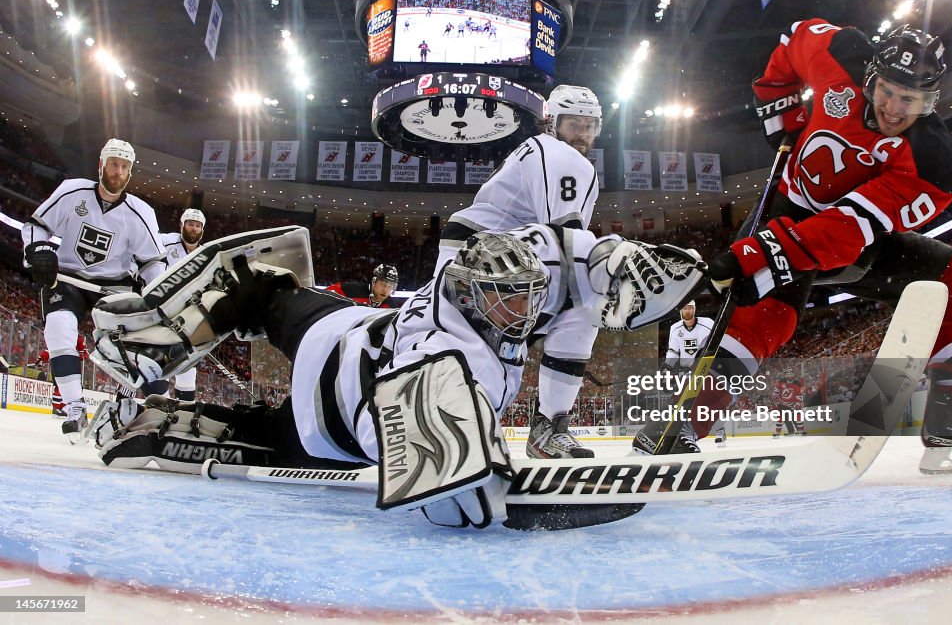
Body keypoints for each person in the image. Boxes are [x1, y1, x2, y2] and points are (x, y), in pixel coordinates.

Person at [89, 224, 705, 529]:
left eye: (527, 297)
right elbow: (457, 506)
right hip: (335, 377)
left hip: (332, 380)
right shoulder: (454, 361)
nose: (522, 311)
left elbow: (457, 489)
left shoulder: (458, 300)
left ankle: (143, 399)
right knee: (265, 280)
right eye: (508, 297)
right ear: (476, 292)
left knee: (259, 297)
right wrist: (523, 496)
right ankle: (144, 347)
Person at [635, 19, 952, 473]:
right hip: (787, 210)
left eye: (909, 100)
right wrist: (781, 115)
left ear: (930, 101)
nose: (893, 108)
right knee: (761, 318)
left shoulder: (932, 163)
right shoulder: (839, 51)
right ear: (870, 75)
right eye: (888, 91)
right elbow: (790, 40)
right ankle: (683, 428)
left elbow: (845, 230)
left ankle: (950, 416)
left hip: (854, 238)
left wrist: (759, 253)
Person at [436, 84, 604, 459]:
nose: (582, 134)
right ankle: (542, 426)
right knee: (585, 299)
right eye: (573, 124)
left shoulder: (544, 151)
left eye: (589, 125)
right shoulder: (561, 156)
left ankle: (459, 425)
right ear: (551, 123)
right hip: (489, 254)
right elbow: (567, 240)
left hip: (484, 249)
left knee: (470, 345)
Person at [21, 138, 166, 435]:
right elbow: (36, 225)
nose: (118, 171)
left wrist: (159, 292)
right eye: (114, 164)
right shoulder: (72, 191)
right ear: (101, 165)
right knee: (59, 328)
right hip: (69, 279)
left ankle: (123, 401)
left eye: (125, 167)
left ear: (130, 173)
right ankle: (75, 408)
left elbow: (153, 262)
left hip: (114, 288)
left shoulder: (141, 213)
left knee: (133, 347)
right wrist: (37, 249)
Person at [159, 208, 207, 401]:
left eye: (197, 226)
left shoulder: (205, 255)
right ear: (181, 225)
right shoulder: (164, 242)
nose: (194, 229)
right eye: (190, 224)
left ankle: (184, 412)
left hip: (187, 321)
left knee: (187, 371)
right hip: (159, 316)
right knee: (157, 364)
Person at [664, 300, 713, 370]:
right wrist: (668, 366)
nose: (687, 311)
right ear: (681, 311)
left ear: (694, 309)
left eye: (690, 308)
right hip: (685, 370)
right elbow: (673, 351)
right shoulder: (675, 328)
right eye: (685, 308)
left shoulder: (708, 323)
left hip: (705, 367)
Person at [327, 264, 399, 308]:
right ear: (374, 282)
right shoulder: (351, 290)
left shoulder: (392, 307)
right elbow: (323, 295)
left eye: (390, 287)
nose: (385, 290)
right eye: (382, 284)